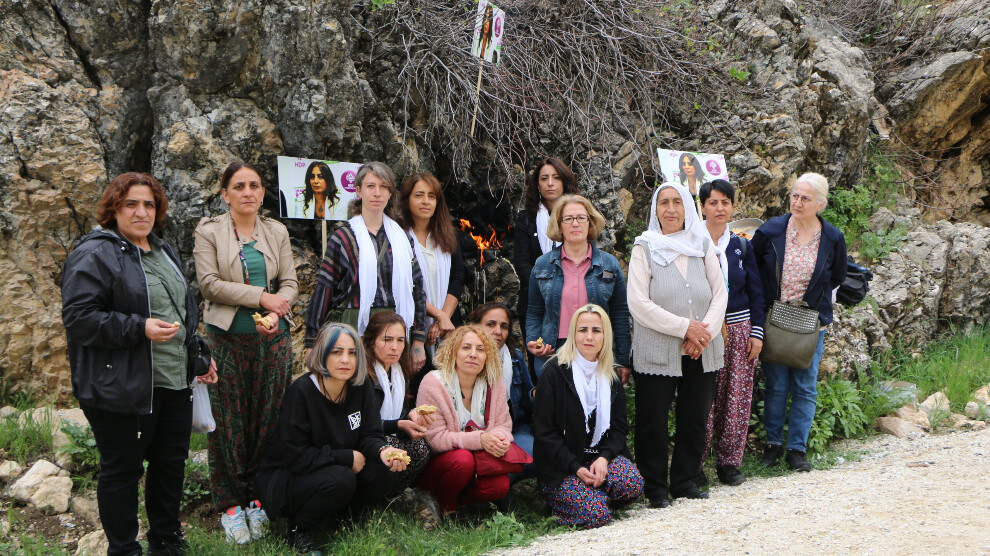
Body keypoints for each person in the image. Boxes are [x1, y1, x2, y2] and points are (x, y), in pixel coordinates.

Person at [62, 172, 219, 556]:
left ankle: (166, 542)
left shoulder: (162, 250)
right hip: (123, 386)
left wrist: (197, 353)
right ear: (114, 208)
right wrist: (139, 327)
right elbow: (79, 318)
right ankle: (124, 549)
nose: (141, 212)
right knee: (122, 470)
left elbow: (180, 311)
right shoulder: (95, 253)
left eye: (149, 204)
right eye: (131, 203)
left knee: (170, 465)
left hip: (174, 381)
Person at [192, 161, 299, 543]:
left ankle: (258, 496)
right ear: (225, 194)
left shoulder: (276, 231)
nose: (248, 192)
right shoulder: (209, 232)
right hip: (226, 340)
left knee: (269, 419)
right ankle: (230, 504)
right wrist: (261, 297)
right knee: (228, 422)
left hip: (273, 341)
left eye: (254, 185)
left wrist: (275, 310)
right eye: (239, 186)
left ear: (263, 192)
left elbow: (289, 283)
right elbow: (209, 284)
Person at [255, 323, 408, 554]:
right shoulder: (302, 391)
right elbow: (294, 456)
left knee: (383, 467)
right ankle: (299, 530)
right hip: (291, 478)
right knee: (341, 478)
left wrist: (383, 450)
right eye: (337, 352)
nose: (345, 360)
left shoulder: (360, 386)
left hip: (335, 469)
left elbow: (370, 433)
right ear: (322, 354)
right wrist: (346, 457)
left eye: (352, 353)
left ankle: (344, 520)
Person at [628, 182, 727, 508]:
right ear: (655, 210)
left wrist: (703, 334)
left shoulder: (702, 243)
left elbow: (719, 293)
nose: (670, 209)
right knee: (652, 421)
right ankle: (655, 488)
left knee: (694, 418)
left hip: (702, 348)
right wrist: (686, 328)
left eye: (677, 202)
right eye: (663, 203)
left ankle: (685, 480)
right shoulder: (644, 247)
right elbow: (638, 303)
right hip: (657, 348)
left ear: (687, 208)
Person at [752, 172, 847, 472]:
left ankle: (797, 449)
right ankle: (773, 445)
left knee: (805, 386)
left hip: (810, 323)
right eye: (795, 196)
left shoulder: (832, 238)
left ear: (820, 204)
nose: (798, 202)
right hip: (775, 318)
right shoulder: (772, 230)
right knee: (777, 385)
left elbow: (837, 276)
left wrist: (819, 308)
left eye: (805, 198)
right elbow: (755, 266)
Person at [305, 161, 429, 372]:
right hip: (352, 324)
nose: (377, 193)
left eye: (383, 187)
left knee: (390, 384)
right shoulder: (343, 237)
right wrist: (311, 341)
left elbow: (417, 290)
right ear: (358, 190)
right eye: (370, 186)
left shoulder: (403, 239)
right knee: (352, 383)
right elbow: (324, 289)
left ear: (390, 193)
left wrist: (418, 340)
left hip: (394, 328)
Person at [533, 305, 643, 528]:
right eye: (583, 330)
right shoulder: (554, 372)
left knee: (632, 483)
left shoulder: (611, 376)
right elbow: (544, 432)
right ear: (573, 334)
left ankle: (590, 495)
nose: (589, 337)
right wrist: (575, 468)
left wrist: (604, 458)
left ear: (605, 336)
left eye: (596, 330)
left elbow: (619, 428)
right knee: (596, 515)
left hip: (597, 460)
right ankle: (566, 499)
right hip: (563, 466)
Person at [698, 179, 765, 487]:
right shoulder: (692, 242)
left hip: (739, 328)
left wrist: (757, 333)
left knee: (736, 398)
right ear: (702, 207)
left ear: (732, 206)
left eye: (725, 202)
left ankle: (729, 463)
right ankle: (695, 463)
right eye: (713, 202)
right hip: (705, 330)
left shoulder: (741, 244)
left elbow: (755, 291)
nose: (719, 208)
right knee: (702, 398)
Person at [525, 194, 631, 380]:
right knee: (556, 399)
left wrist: (622, 359)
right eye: (568, 219)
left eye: (581, 218)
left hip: (597, 351)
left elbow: (620, 313)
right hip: (554, 352)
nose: (575, 223)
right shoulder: (542, 265)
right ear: (559, 225)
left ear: (590, 223)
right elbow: (535, 310)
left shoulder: (610, 265)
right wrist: (533, 340)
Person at [415, 325, 513, 515]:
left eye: (480, 349)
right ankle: (445, 508)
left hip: (479, 461)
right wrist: (480, 440)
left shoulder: (494, 382)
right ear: (454, 352)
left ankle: (459, 503)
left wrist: (499, 440)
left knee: (500, 485)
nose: (473, 355)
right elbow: (435, 439)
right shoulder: (434, 382)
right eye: (466, 347)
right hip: (441, 465)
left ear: (487, 356)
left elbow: (504, 425)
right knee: (463, 460)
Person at [362, 311, 432, 494]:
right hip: (365, 441)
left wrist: (411, 415)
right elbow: (363, 426)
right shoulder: (362, 376)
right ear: (371, 341)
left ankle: (393, 496)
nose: (395, 347)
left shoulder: (398, 372)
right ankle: (371, 497)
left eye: (400, 340)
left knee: (421, 447)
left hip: (387, 433)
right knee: (394, 446)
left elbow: (399, 412)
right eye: (387, 339)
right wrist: (399, 425)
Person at [513, 157, 580, 336]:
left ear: (565, 182)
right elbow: (522, 264)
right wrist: (547, 289)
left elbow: (585, 258)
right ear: (537, 184)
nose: (550, 183)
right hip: (534, 303)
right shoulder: (525, 219)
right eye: (544, 178)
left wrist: (564, 290)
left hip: (573, 301)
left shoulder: (579, 218)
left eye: (556, 177)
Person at [399, 172, 465, 351]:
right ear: (407, 200)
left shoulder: (449, 236)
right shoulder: (398, 237)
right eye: (419, 195)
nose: (426, 201)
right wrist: (438, 316)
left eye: (431, 196)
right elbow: (406, 286)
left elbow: (458, 276)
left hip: (448, 325)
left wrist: (444, 318)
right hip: (412, 322)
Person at [467, 302, 536, 469]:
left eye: (504, 326)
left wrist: (536, 395)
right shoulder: (464, 357)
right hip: (473, 432)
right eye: (491, 324)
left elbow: (528, 402)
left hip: (513, 429)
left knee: (535, 452)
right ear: (476, 326)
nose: (498, 331)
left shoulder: (514, 357)